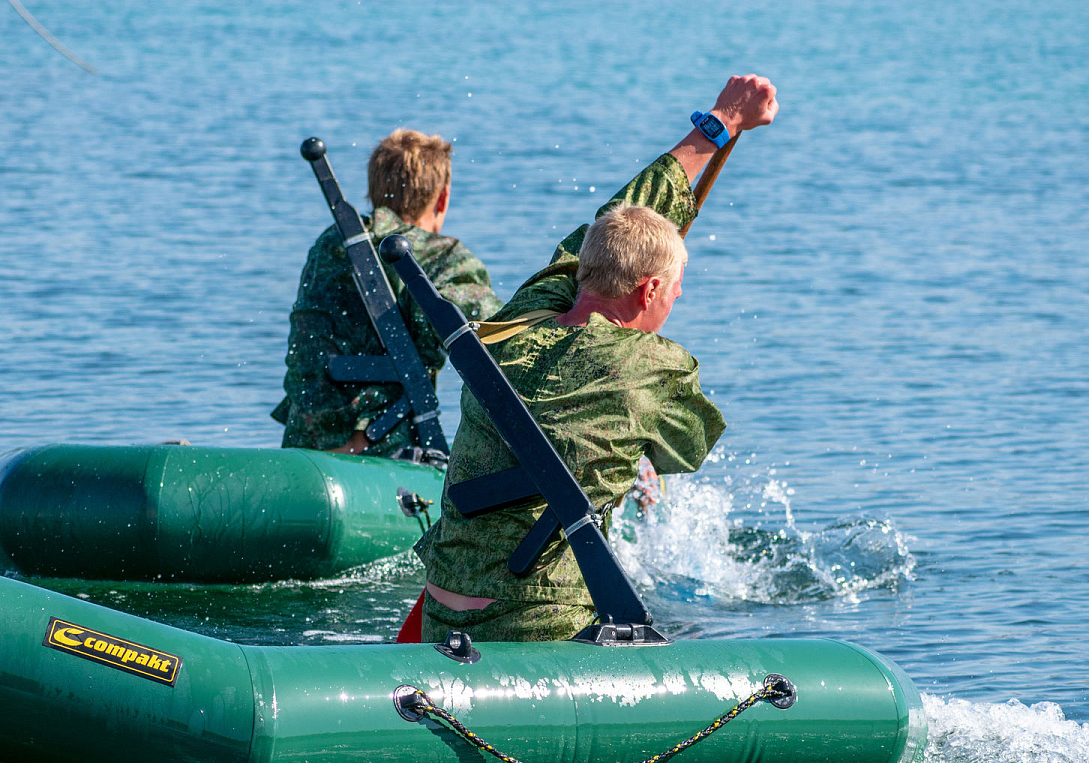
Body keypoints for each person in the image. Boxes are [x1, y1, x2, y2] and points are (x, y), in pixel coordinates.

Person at [414, 75, 780, 642]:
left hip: (441, 619)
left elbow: (614, 222)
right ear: (650, 289)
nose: (680, 297)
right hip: (537, 629)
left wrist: (721, 121)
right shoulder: (656, 366)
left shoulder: (517, 321)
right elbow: (684, 450)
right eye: (677, 285)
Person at [272, 129, 502, 457]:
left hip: (305, 451)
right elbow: (501, 335)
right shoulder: (441, 257)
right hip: (386, 455)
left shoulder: (327, 246)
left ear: (374, 192)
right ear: (443, 198)